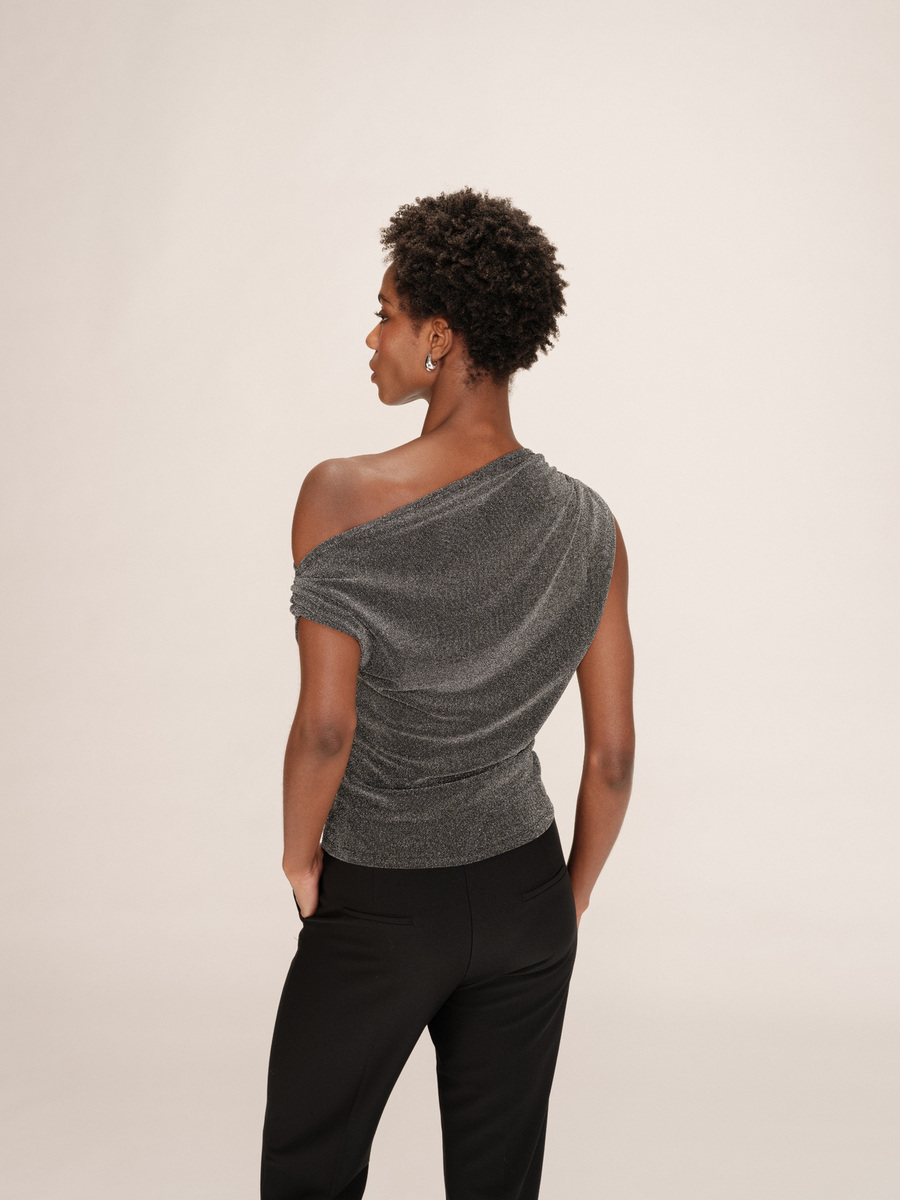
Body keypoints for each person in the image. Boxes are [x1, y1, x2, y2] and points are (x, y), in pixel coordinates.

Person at [260, 187, 635, 1200]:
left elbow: (326, 727)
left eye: (385, 313)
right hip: (526, 891)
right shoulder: (590, 525)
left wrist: (298, 858)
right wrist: (567, 897)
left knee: (308, 1167)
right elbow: (611, 757)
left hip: (381, 895)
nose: (371, 336)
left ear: (439, 336)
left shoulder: (340, 495)